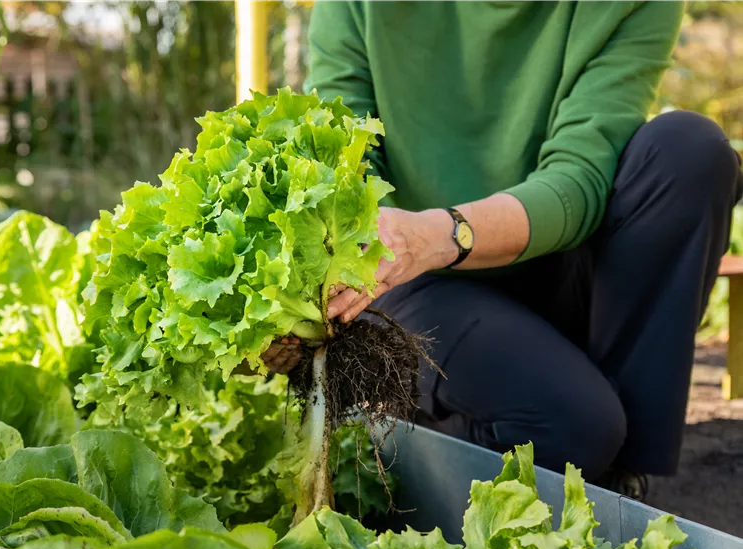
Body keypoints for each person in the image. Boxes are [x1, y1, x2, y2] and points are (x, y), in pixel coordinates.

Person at [263, 0, 743, 500]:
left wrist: (445, 233)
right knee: (575, 425)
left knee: (689, 152)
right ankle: (395, 449)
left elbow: (579, 176)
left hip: (542, 255)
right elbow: (342, 156)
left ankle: (618, 480)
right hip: (406, 273)